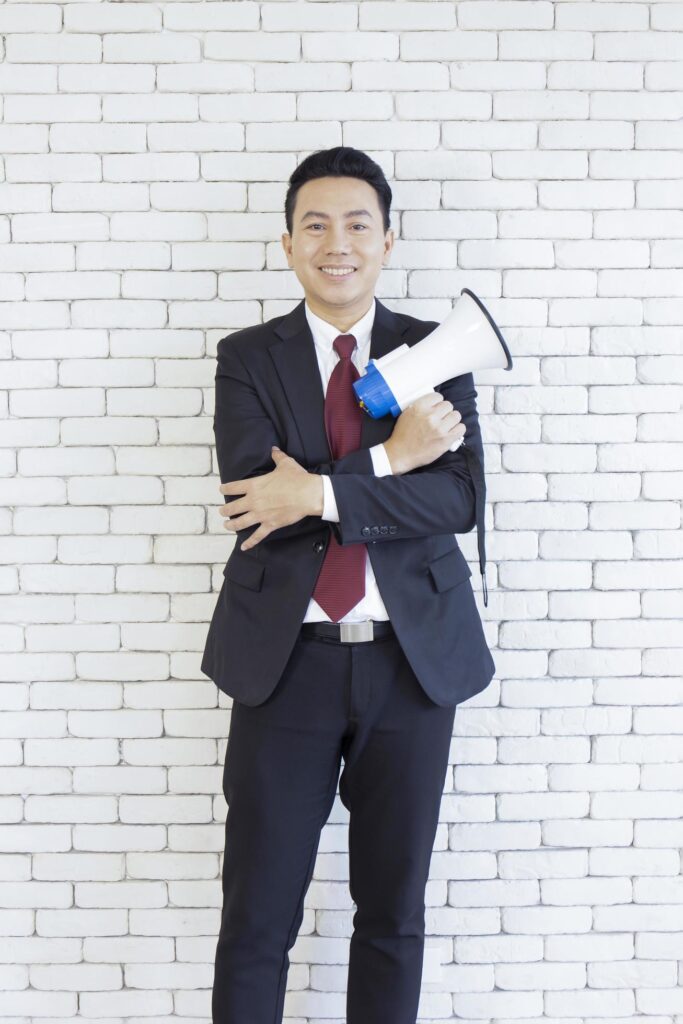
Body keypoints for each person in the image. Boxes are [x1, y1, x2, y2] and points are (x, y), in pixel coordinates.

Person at [202, 146, 496, 1024]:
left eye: (357, 224)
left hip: (412, 667)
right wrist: (390, 458)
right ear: (287, 243)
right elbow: (259, 502)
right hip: (283, 666)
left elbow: (458, 495)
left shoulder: (433, 351)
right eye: (316, 224)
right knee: (256, 920)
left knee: (391, 917)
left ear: (387, 240)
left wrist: (325, 487)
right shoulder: (247, 357)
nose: (338, 243)